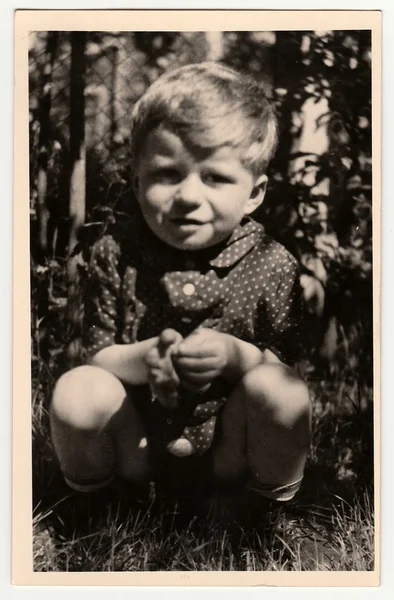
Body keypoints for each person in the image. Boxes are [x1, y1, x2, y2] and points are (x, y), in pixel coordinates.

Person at [50, 62, 312, 508]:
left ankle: (261, 513)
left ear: (254, 192)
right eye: (168, 174)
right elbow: (97, 354)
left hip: (231, 455)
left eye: (215, 177)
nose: (189, 195)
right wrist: (145, 357)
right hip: (141, 448)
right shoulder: (117, 251)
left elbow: (286, 373)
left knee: (280, 391)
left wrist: (234, 355)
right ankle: (101, 508)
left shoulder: (273, 263)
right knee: (77, 389)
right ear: (137, 182)